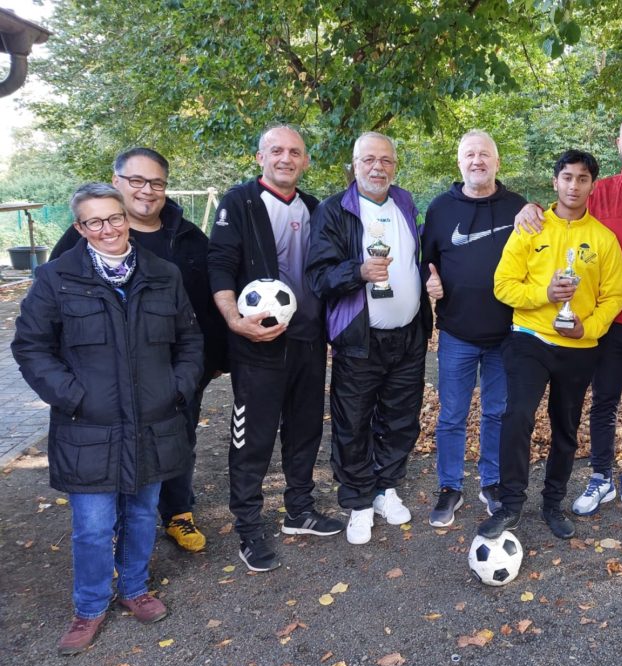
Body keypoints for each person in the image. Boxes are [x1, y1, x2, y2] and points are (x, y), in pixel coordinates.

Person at [12, 183, 203, 655]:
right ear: (80, 227)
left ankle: (135, 589)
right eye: (94, 221)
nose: (108, 229)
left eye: (114, 218)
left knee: (141, 514)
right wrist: (72, 396)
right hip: (88, 426)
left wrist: (177, 388)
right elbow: (31, 347)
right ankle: (90, 606)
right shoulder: (56, 277)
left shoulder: (163, 273)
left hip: (153, 419)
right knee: (94, 525)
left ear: (126, 217)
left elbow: (190, 340)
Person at [49, 148, 229, 553]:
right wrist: (69, 383)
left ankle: (178, 513)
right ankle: (116, 530)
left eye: (157, 182)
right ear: (117, 182)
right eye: (137, 181)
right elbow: (52, 314)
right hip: (105, 378)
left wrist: (208, 364)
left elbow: (207, 301)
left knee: (178, 442)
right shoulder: (85, 240)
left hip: (173, 376)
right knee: (113, 452)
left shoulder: (186, 237)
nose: (147, 191)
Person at [516, 114, 622, 521]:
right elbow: (563, 210)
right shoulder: (598, 190)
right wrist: (529, 207)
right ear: (618, 143)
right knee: (603, 402)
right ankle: (600, 476)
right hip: (604, 322)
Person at [208, 125, 344, 573]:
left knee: (305, 430)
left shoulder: (313, 207)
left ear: (306, 161)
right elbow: (220, 266)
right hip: (259, 346)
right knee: (254, 439)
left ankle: (299, 511)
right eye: (277, 150)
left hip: (308, 342)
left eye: (295, 152)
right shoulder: (239, 202)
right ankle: (248, 526)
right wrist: (233, 319)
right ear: (260, 157)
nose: (286, 158)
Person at [479, 149, 622, 540]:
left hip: (579, 347)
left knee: (566, 426)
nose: (573, 185)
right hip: (530, 337)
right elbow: (503, 285)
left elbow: (614, 296)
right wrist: (544, 293)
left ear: (592, 184)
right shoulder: (530, 227)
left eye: (582, 178)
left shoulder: (603, 239)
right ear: (554, 182)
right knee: (518, 416)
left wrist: (588, 328)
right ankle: (511, 504)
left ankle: (552, 503)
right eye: (567, 178)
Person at [306, 132, 432, 545]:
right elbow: (318, 277)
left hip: (409, 336)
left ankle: (386, 488)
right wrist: (357, 272)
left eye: (386, 160)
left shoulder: (406, 203)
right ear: (355, 165)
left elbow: (418, 258)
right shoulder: (333, 210)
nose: (378, 167)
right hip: (360, 338)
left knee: (400, 418)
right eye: (369, 160)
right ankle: (358, 500)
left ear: (395, 165)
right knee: (353, 422)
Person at [421, 130, 527, 527]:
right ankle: (449, 486)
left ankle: (492, 482)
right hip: (456, 334)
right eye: (470, 154)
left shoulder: (518, 208)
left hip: (506, 334)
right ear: (459, 162)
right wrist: (428, 282)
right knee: (451, 415)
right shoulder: (440, 209)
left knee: (496, 412)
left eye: (485, 154)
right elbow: (425, 262)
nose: (477, 160)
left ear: (497, 162)